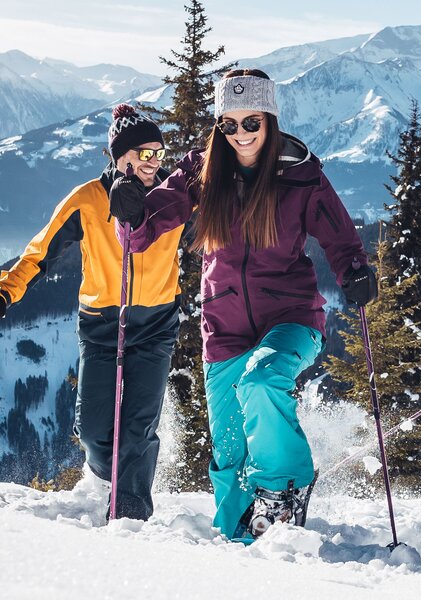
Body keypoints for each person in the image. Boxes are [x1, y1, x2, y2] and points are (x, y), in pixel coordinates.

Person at [110, 69, 374, 542]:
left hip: (291, 316)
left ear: (269, 119)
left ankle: (284, 489)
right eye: (228, 125)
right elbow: (151, 222)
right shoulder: (203, 169)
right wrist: (131, 212)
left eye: (250, 122)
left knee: (263, 378)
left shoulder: (299, 173)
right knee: (229, 449)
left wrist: (354, 270)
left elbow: (340, 236)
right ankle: (242, 541)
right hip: (224, 323)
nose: (240, 134)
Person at [0, 104, 184, 521]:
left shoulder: (170, 198)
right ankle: (106, 475)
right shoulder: (88, 200)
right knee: (98, 437)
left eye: (159, 152)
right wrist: (1, 295)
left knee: (136, 431)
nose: (155, 161)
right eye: (145, 153)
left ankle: (131, 519)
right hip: (100, 327)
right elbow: (39, 254)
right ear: (119, 156)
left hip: (155, 326)